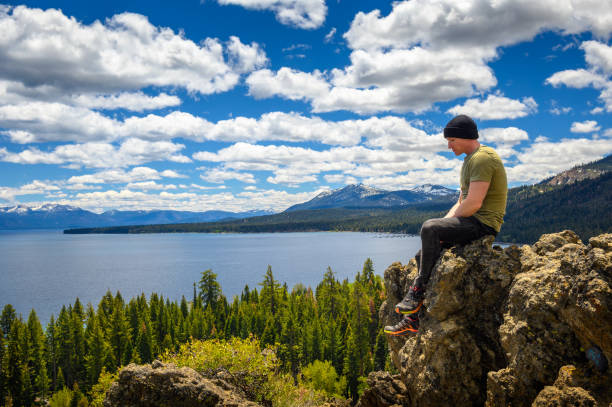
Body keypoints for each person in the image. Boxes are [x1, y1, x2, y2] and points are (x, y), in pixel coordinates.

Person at [384, 115, 507, 335]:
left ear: (465, 136)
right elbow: (460, 201)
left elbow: (474, 203)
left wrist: (438, 228)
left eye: (451, 140)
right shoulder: (469, 160)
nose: (448, 145)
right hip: (470, 220)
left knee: (429, 228)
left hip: (483, 224)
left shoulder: (483, 158)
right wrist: (444, 226)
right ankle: (413, 319)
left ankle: (417, 291)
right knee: (424, 254)